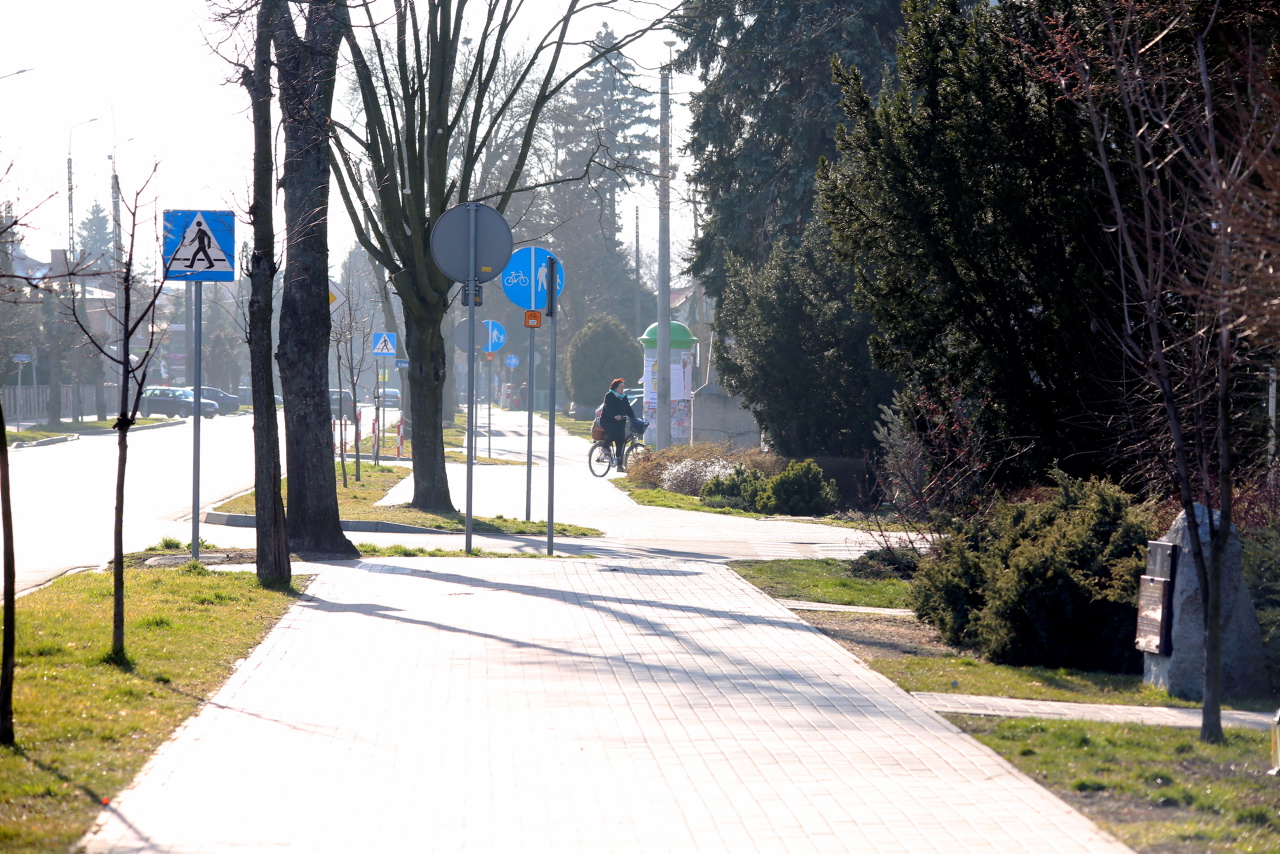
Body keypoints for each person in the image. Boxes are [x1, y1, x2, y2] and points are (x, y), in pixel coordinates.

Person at [600, 377, 636, 472]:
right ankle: (604, 446)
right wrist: (615, 415)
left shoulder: (624, 397)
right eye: (621, 387)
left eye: (623, 387)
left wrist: (633, 418)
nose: (623, 389)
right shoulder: (609, 395)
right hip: (608, 421)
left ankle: (619, 465)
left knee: (621, 441)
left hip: (620, 422)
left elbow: (628, 409)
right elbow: (609, 408)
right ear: (615, 387)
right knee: (613, 432)